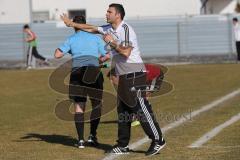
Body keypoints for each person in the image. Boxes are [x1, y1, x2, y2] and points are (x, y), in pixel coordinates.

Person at [61, 3, 165, 156]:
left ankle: (158, 140)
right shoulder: (108, 28)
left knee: (140, 108)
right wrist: (72, 24)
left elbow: (126, 53)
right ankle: (122, 144)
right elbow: (91, 28)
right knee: (123, 110)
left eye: (109, 12)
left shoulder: (126, 29)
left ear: (118, 15)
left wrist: (111, 42)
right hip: (123, 76)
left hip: (135, 73)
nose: (106, 13)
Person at [54, 15, 108, 149]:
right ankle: (92, 136)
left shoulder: (71, 39)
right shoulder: (96, 38)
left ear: (74, 26)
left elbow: (57, 54)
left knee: (79, 107)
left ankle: (80, 141)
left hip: (77, 73)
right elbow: (107, 55)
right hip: (93, 71)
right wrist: (98, 61)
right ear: (84, 24)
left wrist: (71, 50)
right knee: (96, 105)